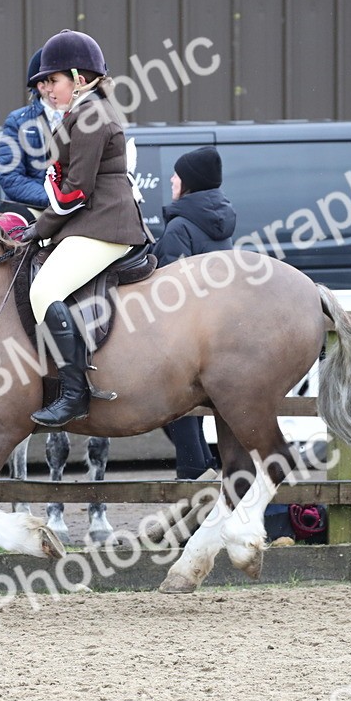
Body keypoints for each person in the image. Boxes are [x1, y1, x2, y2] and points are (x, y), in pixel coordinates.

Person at [20, 29, 150, 427]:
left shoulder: (91, 115)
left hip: (106, 225)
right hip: (93, 220)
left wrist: (39, 227)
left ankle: (74, 395)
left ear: (78, 78)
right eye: (44, 83)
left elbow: (76, 191)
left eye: (53, 81)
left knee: (44, 290)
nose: (47, 90)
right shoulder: (84, 110)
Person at [151, 146, 235, 478]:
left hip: (185, 336)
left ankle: (194, 473)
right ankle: (203, 469)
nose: (172, 179)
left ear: (189, 183)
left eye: (177, 175)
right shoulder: (220, 222)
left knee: (174, 407)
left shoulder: (181, 227)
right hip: (214, 329)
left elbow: (169, 291)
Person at [0, 49, 57, 220]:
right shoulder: (18, 121)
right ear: (41, 86)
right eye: (51, 81)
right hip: (33, 209)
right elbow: (11, 177)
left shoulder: (83, 117)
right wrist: (54, 199)